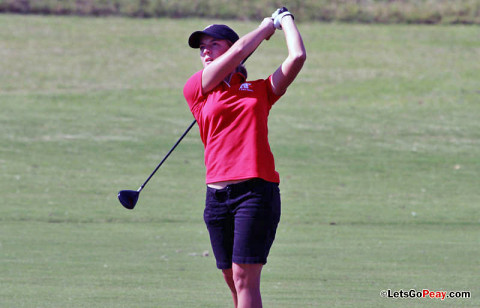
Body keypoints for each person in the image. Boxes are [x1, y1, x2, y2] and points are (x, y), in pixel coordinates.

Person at [183, 7, 306, 308]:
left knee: (243, 277)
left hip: (255, 192)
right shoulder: (198, 89)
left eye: (214, 44)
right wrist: (265, 28)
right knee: (231, 278)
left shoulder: (260, 90)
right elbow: (239, 49)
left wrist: (284, 20)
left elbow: (297, 58)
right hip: (216, 197)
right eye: (202, 48)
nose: (207, 52)